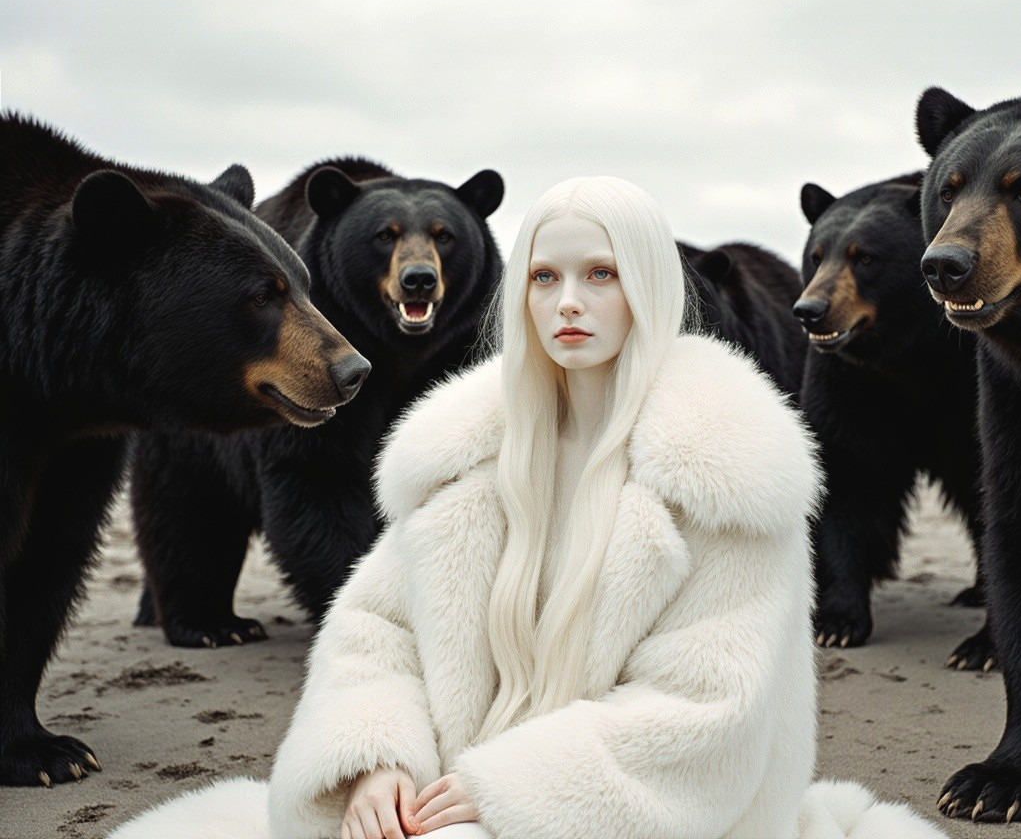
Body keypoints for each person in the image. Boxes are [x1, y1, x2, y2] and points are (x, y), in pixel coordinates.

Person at [110, 176, 946, 839]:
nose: (568, 301)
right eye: (545, 277)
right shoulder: (466, 451)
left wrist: (507, 793)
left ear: (650, 288)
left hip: (650, 820)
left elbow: (708, 717)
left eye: (600, 274)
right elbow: (376, 633)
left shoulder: (725, 471)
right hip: (449, 801)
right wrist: (375, 762)